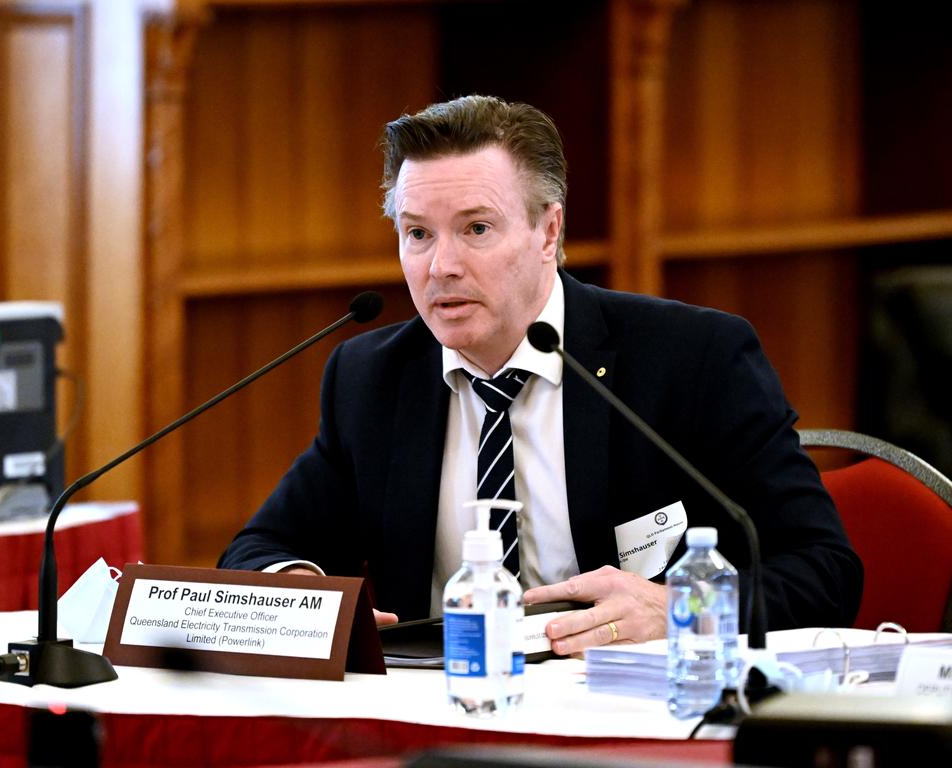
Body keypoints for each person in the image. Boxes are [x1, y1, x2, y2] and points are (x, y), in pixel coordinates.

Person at [218, 95, 862, 655]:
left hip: (626, 714)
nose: (441, 265)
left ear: (547, 231)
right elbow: (260, 549)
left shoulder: (691, 358)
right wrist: (297, 593)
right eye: (417, 234)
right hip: (449, 707)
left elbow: (823, 570)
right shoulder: (372, 377)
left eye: (476, 228)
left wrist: (678, 611)